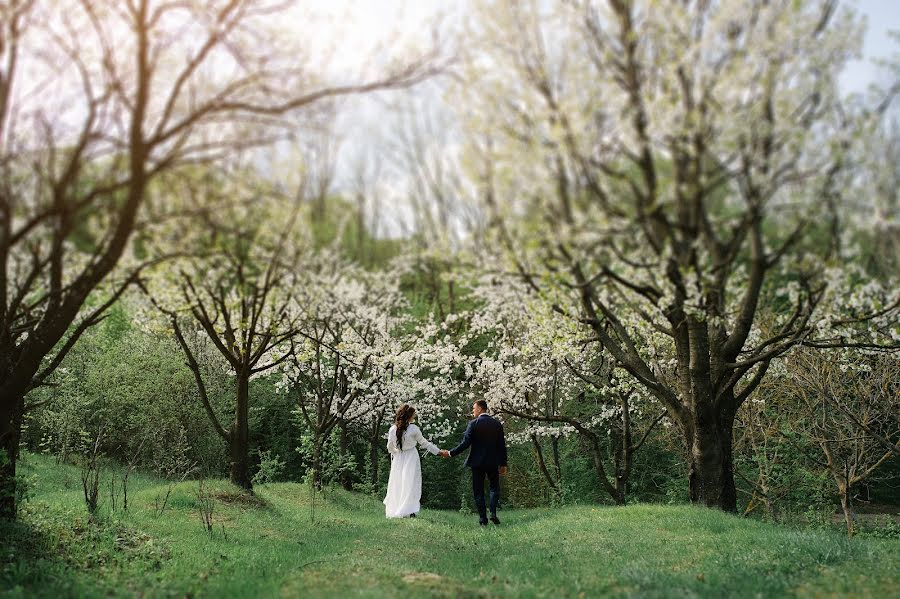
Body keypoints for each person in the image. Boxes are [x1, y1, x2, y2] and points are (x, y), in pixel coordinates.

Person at [441, 400, 508, 526]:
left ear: (480, 409)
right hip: (493, 462)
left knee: (478, 491)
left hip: (477, 463)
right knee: (494, 488)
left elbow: (465, 444)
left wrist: (450, 453)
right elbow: (501, 446)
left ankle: (483, 519)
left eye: (474, 408)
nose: (473, 411)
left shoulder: (473, 424)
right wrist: (503, 464)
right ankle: (493, 513)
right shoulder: (497, 424)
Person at [383, 404, 443, 518]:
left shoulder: (392, 429)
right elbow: (424, 443)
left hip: (398, 458)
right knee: (410, 483)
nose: (415, 416)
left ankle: (399, 509)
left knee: (398, 483)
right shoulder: (414, 429)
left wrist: (397, 453)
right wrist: (439, 452)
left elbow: (389, 447)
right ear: (409, 416)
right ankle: (409, 510)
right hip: (411, 457)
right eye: (413, 414)